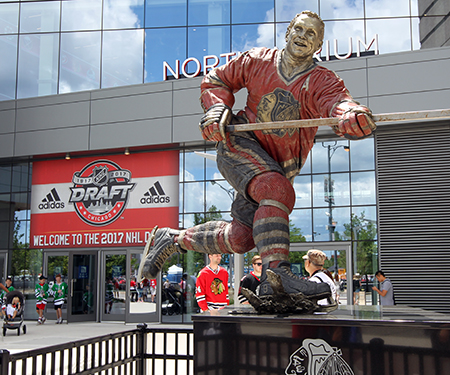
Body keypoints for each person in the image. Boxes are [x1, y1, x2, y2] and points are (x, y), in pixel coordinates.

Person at [141, 11, 374, 303]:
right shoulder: (257, 60)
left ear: (318, 46)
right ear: (288, 32)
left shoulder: (320, 79)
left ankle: (173, 239)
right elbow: (216, 81)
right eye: (298, 29)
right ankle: (277, 277)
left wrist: (350, 115)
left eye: (311, 34)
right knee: (276, 189)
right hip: (241, 142)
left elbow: (337, 102)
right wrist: (215, 109)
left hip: (272, 168)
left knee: (241, 238)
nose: (302, 36)